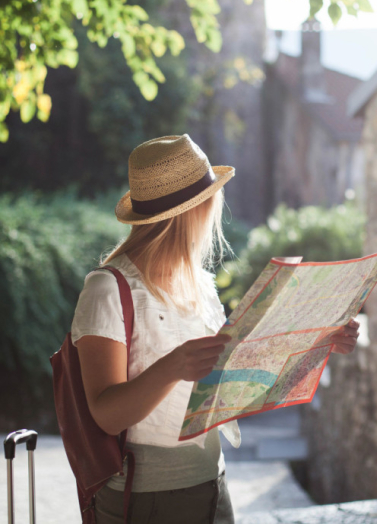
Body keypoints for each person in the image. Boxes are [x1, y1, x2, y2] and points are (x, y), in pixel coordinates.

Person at [71, 134, 360, 524]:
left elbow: (232, 380)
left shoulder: (201, 284)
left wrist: (316, 343)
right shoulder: (107, 289)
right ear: (191, 211)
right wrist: (172, 367)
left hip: (213, 483)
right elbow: (105, 415)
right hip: (146, 500)